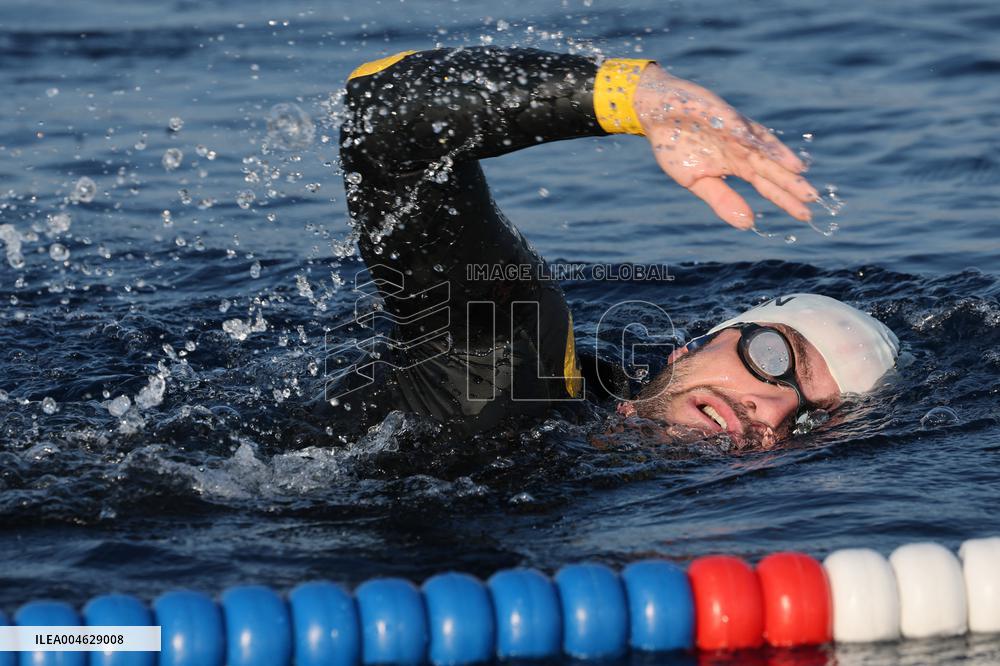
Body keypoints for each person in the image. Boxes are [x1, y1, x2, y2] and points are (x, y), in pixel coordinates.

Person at [330, 46, 899, 446]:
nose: (772, 409)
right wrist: (638, 97)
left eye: (811, 420)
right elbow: (383, 112)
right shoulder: (514, 370)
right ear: (696, 344)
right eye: (775, 360)